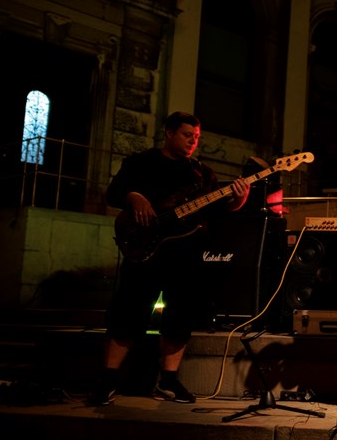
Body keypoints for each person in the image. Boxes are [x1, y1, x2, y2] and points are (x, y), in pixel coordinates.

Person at [88, 112, 250, 406]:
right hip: (145, 251)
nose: (193, 141)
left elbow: (219, 210)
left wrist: (239, 199)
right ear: (169, 133)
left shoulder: (202, 173)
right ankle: (108, 379)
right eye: (187, 135)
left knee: (181, 316)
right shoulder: (141, 162)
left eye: (197, 137)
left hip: (185, 256)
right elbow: (113, 193)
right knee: (127, 312)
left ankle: (168, 381)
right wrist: (134, 195)